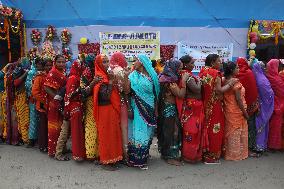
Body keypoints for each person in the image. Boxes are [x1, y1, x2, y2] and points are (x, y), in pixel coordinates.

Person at [199, 54, 238, 164]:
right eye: (219, 61)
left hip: (206, 104)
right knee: (216, 129)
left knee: (207, 127)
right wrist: (231, 83)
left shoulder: (203, 71)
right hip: (215, 106)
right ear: (212, 62)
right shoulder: (215, 73)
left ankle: (205, 153)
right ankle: (212, 157)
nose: (220, 63)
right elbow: (219, 90)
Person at [125, 54, 160, 170]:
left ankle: (144, 153)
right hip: (137, 107)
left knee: (149, 132)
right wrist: (129, 108)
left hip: (150, 107)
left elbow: (156, 94)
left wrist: (155, 110)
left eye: (135, 61)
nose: (133, 63)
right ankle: (138, 159)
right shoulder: (132, 76)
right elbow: (126, 92)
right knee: (139, 132)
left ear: (142, 62)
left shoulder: (153, 76)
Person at [93, 54, 123, 170]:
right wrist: (110, 81)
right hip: (104, 110)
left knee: (113, 134)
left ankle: (114, 158)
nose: (107, 64)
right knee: (106, 136)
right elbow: (105, 96)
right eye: (104, 62)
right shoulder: (100, 77)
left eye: (107, 61)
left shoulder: (106, 75)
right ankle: (106, 161)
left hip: (111, 110)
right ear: (99, 64)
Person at [178, 55, 206, 163]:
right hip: (192, 107)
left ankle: (190, 154)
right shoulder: (187, 75)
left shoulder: (185, 74)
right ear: (185, 64)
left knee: (190, 131)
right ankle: (190, 155)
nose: (193, 65)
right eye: (192, 63)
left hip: (192, 106)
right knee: (192, 131)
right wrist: (199, 81)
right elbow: (197, 89)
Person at [157, 59, 184, 166]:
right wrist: (185, 83)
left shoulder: (163, 77)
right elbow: (180, 94)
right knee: (173, 132)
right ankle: (170, 156)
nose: (181, 71)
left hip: (164, 108)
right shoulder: (170, 81)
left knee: (166, 131)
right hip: (169, 109)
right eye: (180, 69)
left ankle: (166, 153)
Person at [223, 61, 249, 161]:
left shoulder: (223, 80)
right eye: (237, 68)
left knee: (231, 131)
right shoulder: (235, 83)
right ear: (231, 70)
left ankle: (229, 153)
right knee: (236, 132)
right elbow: (239, 100)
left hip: (228, 109)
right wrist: (245, 113)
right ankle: (236, 154)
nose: (239, 69)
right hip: (237, 110)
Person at [44, 55, 67, 157]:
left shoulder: (63, 71)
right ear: (55, 62)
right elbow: (46, 87)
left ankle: (61, 148)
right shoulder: (52, 73)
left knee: (62, 126)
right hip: (54, 103)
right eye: (59, 62)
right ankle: (53, 151)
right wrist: (57, 97)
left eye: (63, 62)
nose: (61, 64)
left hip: (62, 102)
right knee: (54, 127)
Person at [236, 57, 259, 156]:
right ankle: (250, 147)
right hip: (251, 104)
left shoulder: (236, 75)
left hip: (239, 106)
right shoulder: (249, 72)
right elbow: (253, 90)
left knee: (240, 128)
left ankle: (240, 147)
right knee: (251, 127)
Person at [250, 59, 274, 154]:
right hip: (263, 105)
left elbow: (268, 93)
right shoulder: (261, 77)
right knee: (262, 125)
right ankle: (262, 145)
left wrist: (259, 103)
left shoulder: (260, 79)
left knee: (260, 125)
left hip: (263, 106)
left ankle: (259, 147)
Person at [110, 52, 130, 162]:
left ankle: (117, 153)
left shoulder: (110, 69)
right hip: (122, 102)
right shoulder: (120, 71)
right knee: (124, 128)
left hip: (112, 103)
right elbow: (126, 90)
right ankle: (125, 154)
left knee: (116, 128)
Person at [64, 60, 85, 161]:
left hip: (78, 105)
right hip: (74, 107)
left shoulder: (77, 77)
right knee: (76, 131)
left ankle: (80, 153)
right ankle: (77, 155)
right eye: (80, 66)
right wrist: (80, 90)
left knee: (79, 131)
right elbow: (69, 95)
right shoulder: (73, 78)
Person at [82, 54, 101, 160]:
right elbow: (84, 92)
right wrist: (93, 83)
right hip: (90, 103)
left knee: (98, 127)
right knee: (91, 127)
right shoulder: (86, 73)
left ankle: (98, 152)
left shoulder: (98, 71)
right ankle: (90, 154)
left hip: (99, 103)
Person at [32, 58, 52, 152]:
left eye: (50, 65)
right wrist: (45, 101)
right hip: (42, 106)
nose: (49, 67)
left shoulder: (51, 75)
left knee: (50, 125)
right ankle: (43, 146)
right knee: (43, 126)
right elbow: (35, 92)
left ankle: (50, 145)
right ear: (43, 67)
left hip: (51, 105)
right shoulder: (39, 77)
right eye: (47, 65)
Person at [266, 59, 284, 150]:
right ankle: (274, 145)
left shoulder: (269, 76)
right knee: (276, 125)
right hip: (279, 104)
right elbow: (282, 92)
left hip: (273, 104)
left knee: (273, 124)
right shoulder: (277, 79)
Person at [13, 58, 30, 145]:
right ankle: (25, 138)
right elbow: (15, 83)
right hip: (21, 97)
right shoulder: (20, 71)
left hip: (25, 97)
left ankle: (26, 137)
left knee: (26, 118)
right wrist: (26, 73)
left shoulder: (25, 71)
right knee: (23, 118)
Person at [25, 58, 39, 147]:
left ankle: (36, 138)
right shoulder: (32, 72)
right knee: (33, 118)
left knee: (37, 119)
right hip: (33, 99)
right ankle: (31, 139)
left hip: (37, 98)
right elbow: (28, 86)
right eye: (38, 64)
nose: (39, 65)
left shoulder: (39, 72)